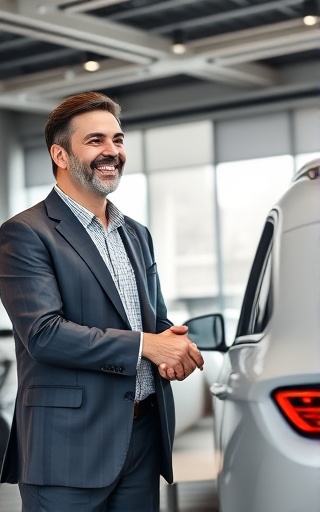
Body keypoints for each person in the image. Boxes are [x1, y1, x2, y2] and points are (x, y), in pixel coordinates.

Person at [0, 91, 204, 512]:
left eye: (118, 139)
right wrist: (147, 345)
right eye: (95, 141)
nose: (112, 151)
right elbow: (44, 334)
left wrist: (175, 347)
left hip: (142, 436)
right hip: (67, 447)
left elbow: (155, 320)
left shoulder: (137, 233)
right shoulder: (25, 233)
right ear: (60, 153)